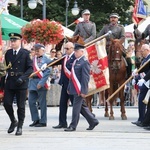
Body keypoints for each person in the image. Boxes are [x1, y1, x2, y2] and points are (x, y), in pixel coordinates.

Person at [3, 33, 33, 136]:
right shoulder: (8, 53)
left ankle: (20, 126)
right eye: (11, 40)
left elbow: (30, 68)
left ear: (20, 41)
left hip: (21, 82)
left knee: (21, 106)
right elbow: (6, 68)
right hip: (10, 81)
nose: (12, 42)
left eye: (14, 40)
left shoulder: (25, 53)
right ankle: (13, 120)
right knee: (7, 103)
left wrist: (23, 78)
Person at [64, 43, 99, 132]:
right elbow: (72, 77)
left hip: (79, 89)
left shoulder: (84, 62)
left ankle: (73, 126)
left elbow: (85, 78)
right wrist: (69, 87)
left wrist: (84, 90)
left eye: (77, 51)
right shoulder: (76, 61)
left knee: (76, 108)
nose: (75, 53)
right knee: (82, 107)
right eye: (74, 51)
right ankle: (93, 121)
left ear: (82, 52)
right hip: (74, 88)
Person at [52, 42, 76, 129]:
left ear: (72, 48)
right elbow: (55, 62)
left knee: (78, 106)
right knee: (62, 104)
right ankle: (62, 123)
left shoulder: (75, 57)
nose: (65, 50)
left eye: (67, 49)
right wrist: (47, 65)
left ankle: (91, 120)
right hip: (65, 84)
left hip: (73, 85)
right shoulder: (65, 57)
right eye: (65, 49)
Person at [28, 44, 51, 127]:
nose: (36, 52)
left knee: (42, 103)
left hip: (41, 82)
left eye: (38, 50)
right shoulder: (33, 59)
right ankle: (35, 119)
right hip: (32, 82)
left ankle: (43, 121)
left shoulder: (47, 59)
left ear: (43, 50)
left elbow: (47, 72)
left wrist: (41, 83)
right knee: (31, 101)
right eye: (35, 50)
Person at [131, 44, 150, 126]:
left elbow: (147, 71)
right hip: (144, 82)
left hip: (147, 83)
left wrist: (144, 79)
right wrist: (135, 78)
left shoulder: (149, 58)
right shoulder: (145, 59)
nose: (141, 53)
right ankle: (142, 119)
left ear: (147, 50)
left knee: (144, 101)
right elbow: (142, 69)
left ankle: (144, 121)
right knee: (142, 101)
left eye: (142, 51)